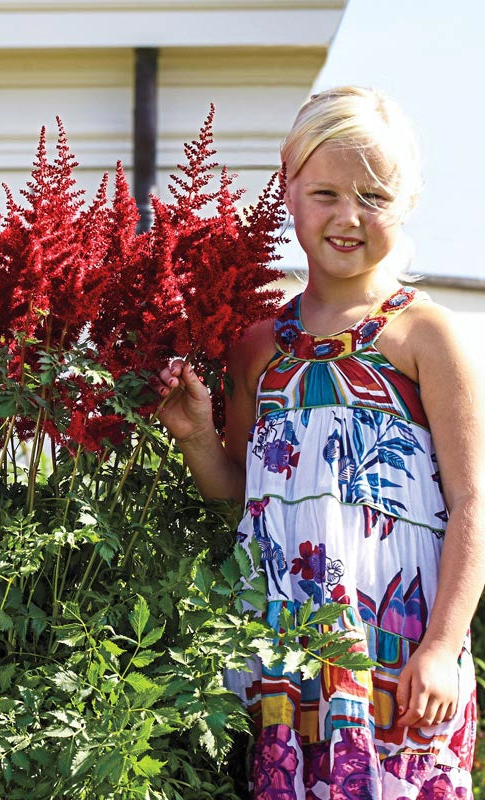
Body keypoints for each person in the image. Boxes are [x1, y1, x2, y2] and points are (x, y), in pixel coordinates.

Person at [153, 86, 484, 798]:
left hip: (398, 656)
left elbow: (472, 505)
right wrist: (196, 442)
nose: (347, 217)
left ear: (408, 202)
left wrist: (442, 648)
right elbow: (247, 497)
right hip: (285, 655)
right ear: (289, 188)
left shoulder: (424, 334)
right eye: (326, 192)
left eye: (373, 196)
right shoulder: (256, 348)